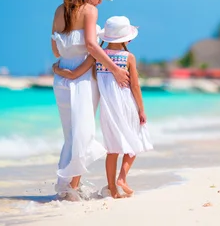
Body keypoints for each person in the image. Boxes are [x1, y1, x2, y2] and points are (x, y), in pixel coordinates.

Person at [53, 16, 153, 199]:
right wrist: (141, 109)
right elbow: (135, 86)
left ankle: (113, 189)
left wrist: (58, 70)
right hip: (127, 105)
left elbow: (75, 73)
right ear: (127, 39)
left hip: (107, 109)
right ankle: (122, 178)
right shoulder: (129, 57)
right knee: (136, 142)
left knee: (113, 149)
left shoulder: (97, 56)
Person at [51, 0, 130, 200]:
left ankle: (69, 186)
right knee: (83, 133)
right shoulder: (90, 10)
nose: (101, 1)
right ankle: (71, 189)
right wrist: (115, 70)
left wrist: (62, 68)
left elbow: (56, 49)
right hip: (84, 79)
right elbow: (92, 46)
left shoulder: (59, 10)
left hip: (62, 78)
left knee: (71, 134)